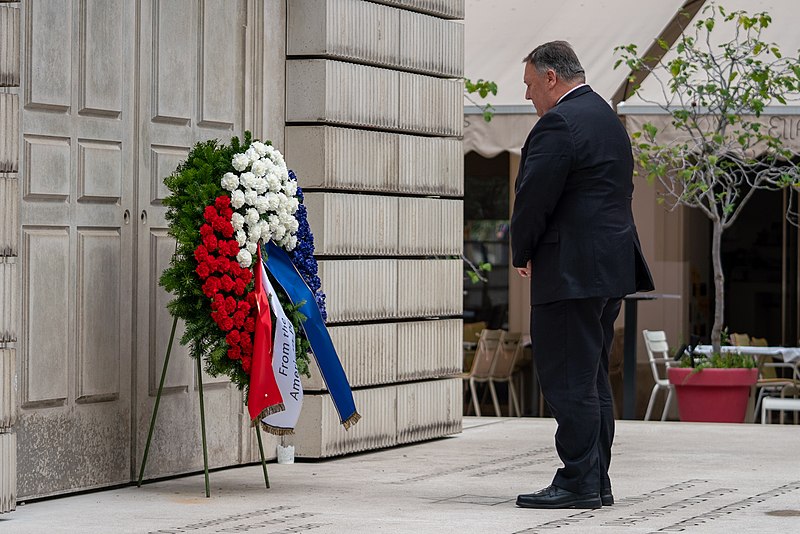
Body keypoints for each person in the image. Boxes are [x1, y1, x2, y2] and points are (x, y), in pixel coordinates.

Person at [510, 41, 654, 509]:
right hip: (607, 269)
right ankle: (595, 479)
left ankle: (578, 481)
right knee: (591, 378)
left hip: (570, 270)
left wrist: (522, 248)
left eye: (531, 85)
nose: (529, 96)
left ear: (552, 78)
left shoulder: (560, 122)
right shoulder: (607, 119)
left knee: (568, 379)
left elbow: (535, 196)